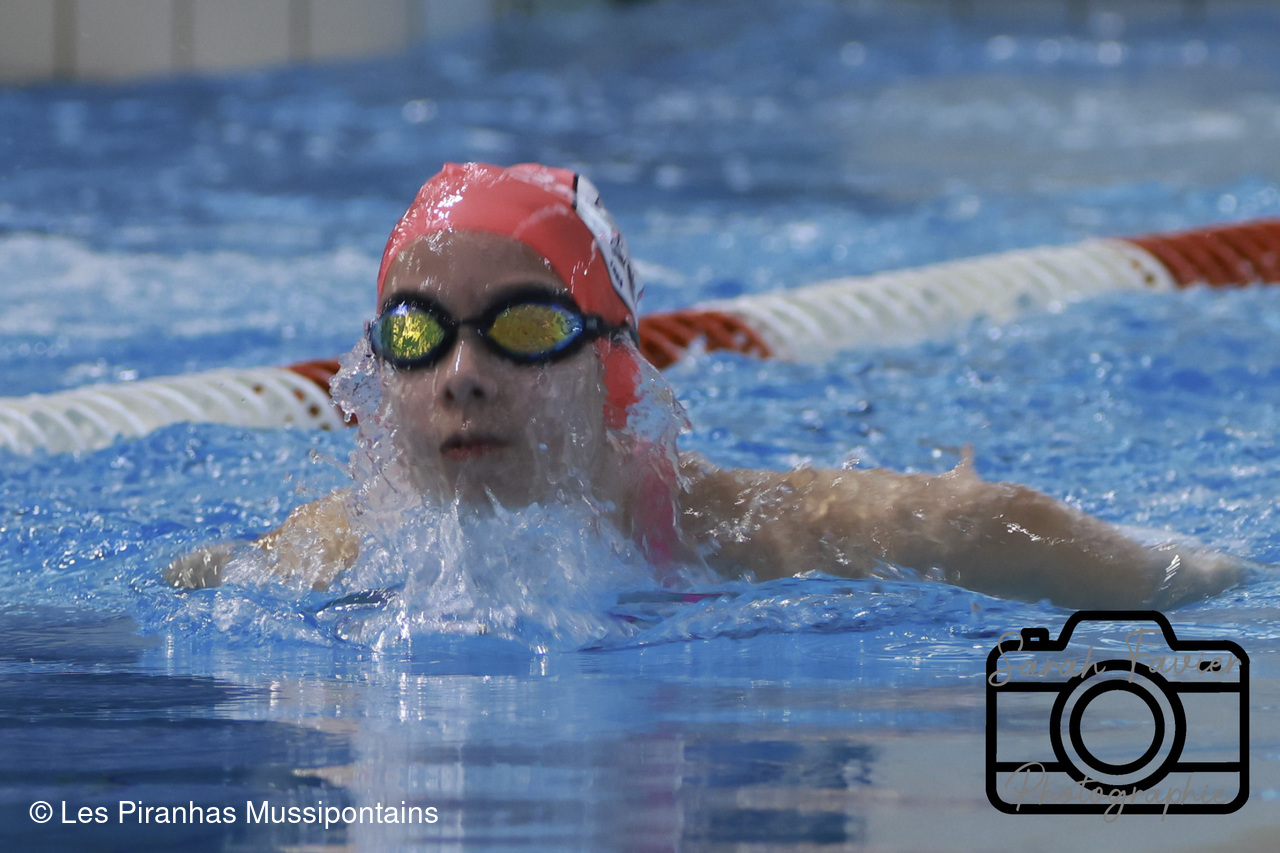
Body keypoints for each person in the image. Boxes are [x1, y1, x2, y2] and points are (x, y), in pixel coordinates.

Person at [165, 161, 1244, 610]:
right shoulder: (325, 560)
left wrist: (1197, 575)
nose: (464, 378)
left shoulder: (742, 539)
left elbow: (978, 524)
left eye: (525, 328)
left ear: (611, 367)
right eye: (417, 334)